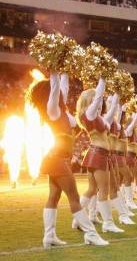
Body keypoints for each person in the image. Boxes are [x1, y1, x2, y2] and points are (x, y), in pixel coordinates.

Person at [31, 72, 108, 247]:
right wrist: (55, 71)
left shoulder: (62, 110)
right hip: (57, 159)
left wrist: (65, 70)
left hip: (58, 158)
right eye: (55, 92)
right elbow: (57, 86)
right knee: (74, 197)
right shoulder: (53, 110)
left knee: (53, 197)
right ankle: (90, 234)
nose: (60, 93)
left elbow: (62, 87)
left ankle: (49, 236)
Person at [76, 79, 125, 234]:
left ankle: (77, 219)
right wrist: (103, 78)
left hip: (95, 154)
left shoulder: (96, 117)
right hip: (99, 155)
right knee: (103, 189)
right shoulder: (88, 115)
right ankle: (108, 223)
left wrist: (118, 92)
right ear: (90, 101)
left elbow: (111, 114)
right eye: (97, 99)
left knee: (92, 189)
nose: (101, 101)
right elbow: (98, 96)